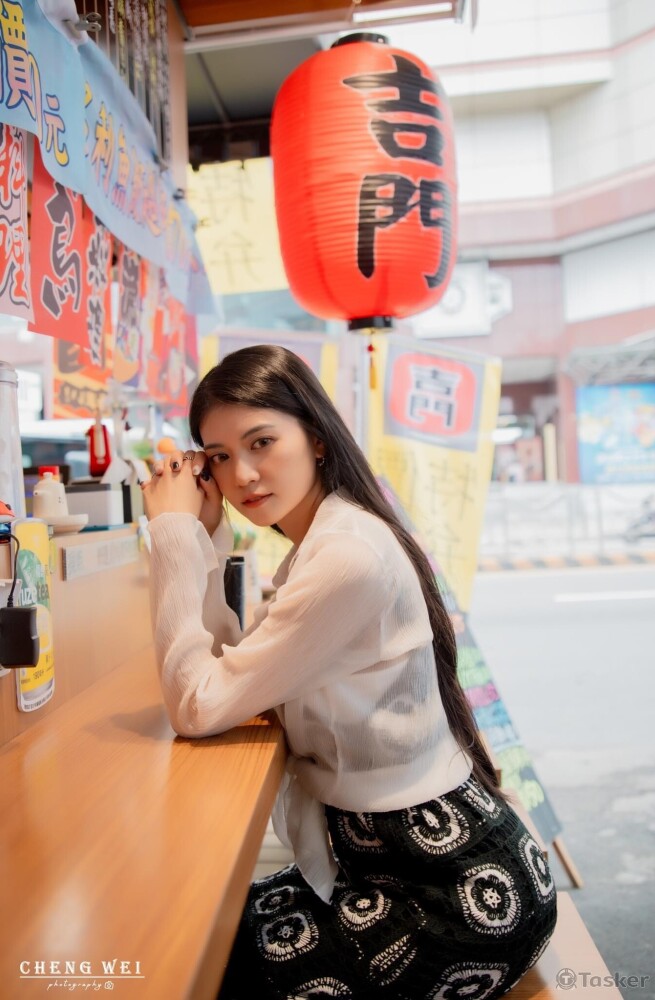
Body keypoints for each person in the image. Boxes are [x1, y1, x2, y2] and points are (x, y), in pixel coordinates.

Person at [140, 345, 557, 1000]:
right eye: (217, 456)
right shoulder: (327, 540)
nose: (241, 473)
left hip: (459, 903)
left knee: (200, 960)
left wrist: (171, 532)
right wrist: (203, 538)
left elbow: (197, 704)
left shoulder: (346, 557)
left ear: (316, 437)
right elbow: (231, 681)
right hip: (395, 869)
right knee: (192, 929)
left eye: (261, 442)